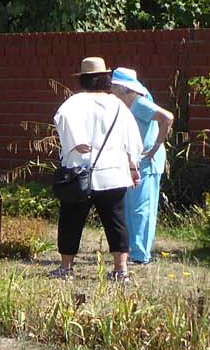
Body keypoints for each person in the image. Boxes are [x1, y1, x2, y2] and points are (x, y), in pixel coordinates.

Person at [53, 57, 141, 282]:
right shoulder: (117, 105)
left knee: (71, 220)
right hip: (113, 171)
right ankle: (121, 269)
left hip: (80, 172)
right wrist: (133, 166)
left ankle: (66, 267)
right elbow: (133, 138)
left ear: (83, 79)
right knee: (117, 221)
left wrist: (76, 142)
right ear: (105, 79)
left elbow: (61, 119)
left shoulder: (74, 103)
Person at [111, 67, 175, 265]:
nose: (111, 90)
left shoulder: (138, 102)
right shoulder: (128, 101)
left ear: (123, 88)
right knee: (132, 206)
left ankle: (141, 255)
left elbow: (167, 117)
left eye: (113, 86)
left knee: (142, 208)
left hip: (148, 162)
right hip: (136, 162)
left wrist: (156, 146)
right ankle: (133, 249)